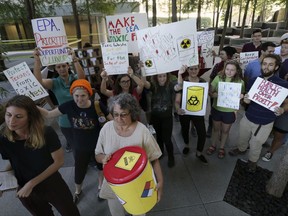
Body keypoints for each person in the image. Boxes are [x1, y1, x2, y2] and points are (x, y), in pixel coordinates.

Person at [0, 95, 80, 216]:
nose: (11, 121)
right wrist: (2, 183)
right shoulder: (4, 137)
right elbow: (13, 163)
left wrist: (31, 183)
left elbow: (58, 162)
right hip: (25, 189)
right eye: (8, 115)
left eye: (18, 116)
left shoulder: (46, 132)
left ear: (30, 117)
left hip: (51, 184)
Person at [38, 79, 112, 204]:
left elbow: (111, 121)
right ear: (72, 95)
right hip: (80, 146)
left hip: (98, 146)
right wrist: (33, 106)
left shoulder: (97, 105)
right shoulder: (69, 105)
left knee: (101, 168)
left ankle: (101, 188)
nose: (79, 99)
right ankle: (78, 191)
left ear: (89, 94)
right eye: (76, 95)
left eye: (83, 95)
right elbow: (49, 114)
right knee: (79, 170)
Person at [95, 93, 163, 216]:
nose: (118, 119)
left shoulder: (142, 131)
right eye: (115, 114)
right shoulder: (106, 129)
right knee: (117, 213)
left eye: (123, 115)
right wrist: (103, 158)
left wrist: (160, 182)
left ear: (131, 112)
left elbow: (154, 158)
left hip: (138, 184)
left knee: (139, 212)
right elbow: (97, 154)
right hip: (114, 185)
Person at [229, 54, 288, 172]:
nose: (266, 67)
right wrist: (245, 100)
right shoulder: (253, 81)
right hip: (248, 117)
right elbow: (247, 99)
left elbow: (286, 102)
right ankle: (241, 149)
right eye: (264, 64)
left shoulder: (282, 84)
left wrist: (283, 109)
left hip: (265, 121)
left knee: (256, 143)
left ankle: (253, 161)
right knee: (242, 137)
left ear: (276, 67)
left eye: (271, 65)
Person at [33, 47, 85, 153]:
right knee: (75, 146)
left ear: (68, 66)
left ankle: (89, 160)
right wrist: (37, 61)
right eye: (59, 67)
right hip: (65, 120)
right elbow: (38, 81)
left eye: (64, 66)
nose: (62, 69)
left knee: (83, 142)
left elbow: (82, 78)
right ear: (56, 69)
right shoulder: (54, 82)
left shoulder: (75, 78)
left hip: (80, 117)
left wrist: (74, 59)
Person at [206, 61, 245, 159]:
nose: (229, 72)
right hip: (217, 109)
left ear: (237, 71)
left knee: (225, 131)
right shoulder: (218, 78)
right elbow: (210, 91)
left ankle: (222, 147)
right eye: (227, 69)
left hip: (230, 111)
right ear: (224, 69)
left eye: (232, 70)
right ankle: (213, 145)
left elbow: (242, 95)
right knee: (216, 129)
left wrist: (242, 96)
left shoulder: (240, 82)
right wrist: (212, 94)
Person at [174, 65, 208, 164]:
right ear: (187, 70)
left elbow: (205, 97)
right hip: (185, 112)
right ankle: (186, 145)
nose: (193, 71)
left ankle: (199, 152)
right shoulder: (183, 82)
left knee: (202, 133)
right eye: (191, 69)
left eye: (195, 69)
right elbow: (177, 100)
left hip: (198, 112)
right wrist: (178, 109)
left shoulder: (203, 82)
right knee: (185, 129)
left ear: (199, 69)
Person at [146, 73, 176, 167]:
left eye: (164, 76)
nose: (162, 78)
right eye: (160, 76)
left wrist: (179, 74)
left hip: (167, 117)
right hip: (155, 117)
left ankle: (171, 157)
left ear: (167, 77)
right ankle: (161, 152)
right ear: (156, 77)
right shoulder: (153, 86)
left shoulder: (170, 85)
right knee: (159, 137)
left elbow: (179, 86)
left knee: (167, 139)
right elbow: (144, 83)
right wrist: (143, 70)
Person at [206, 46, 237, 137]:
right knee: (213, 111)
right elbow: (211, 78)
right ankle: (211, 128)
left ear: (229, 55)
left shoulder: (235, 66)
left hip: (229, 97)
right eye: (220, 54)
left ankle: (223, 131)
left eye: (222, 54)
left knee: (226, 113)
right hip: (215, 94)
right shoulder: (217, 66)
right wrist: (210, 90)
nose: (220, 55)